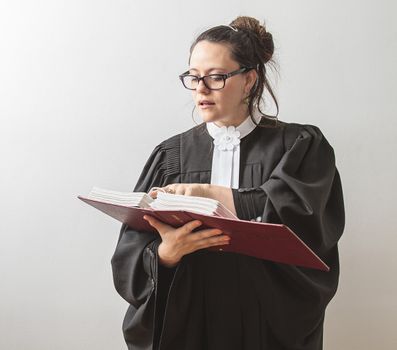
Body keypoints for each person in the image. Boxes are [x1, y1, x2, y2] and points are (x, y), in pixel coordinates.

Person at [111, 16, 344, 350]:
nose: (201, 89)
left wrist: (206, 194)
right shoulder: (170, 156)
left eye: (216, 77)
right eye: (193, 78)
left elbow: (303, 222)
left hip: (265, 326)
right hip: (191, 324)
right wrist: (166, 254)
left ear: (249, 80)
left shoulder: (300, 147)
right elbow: (129, 252)